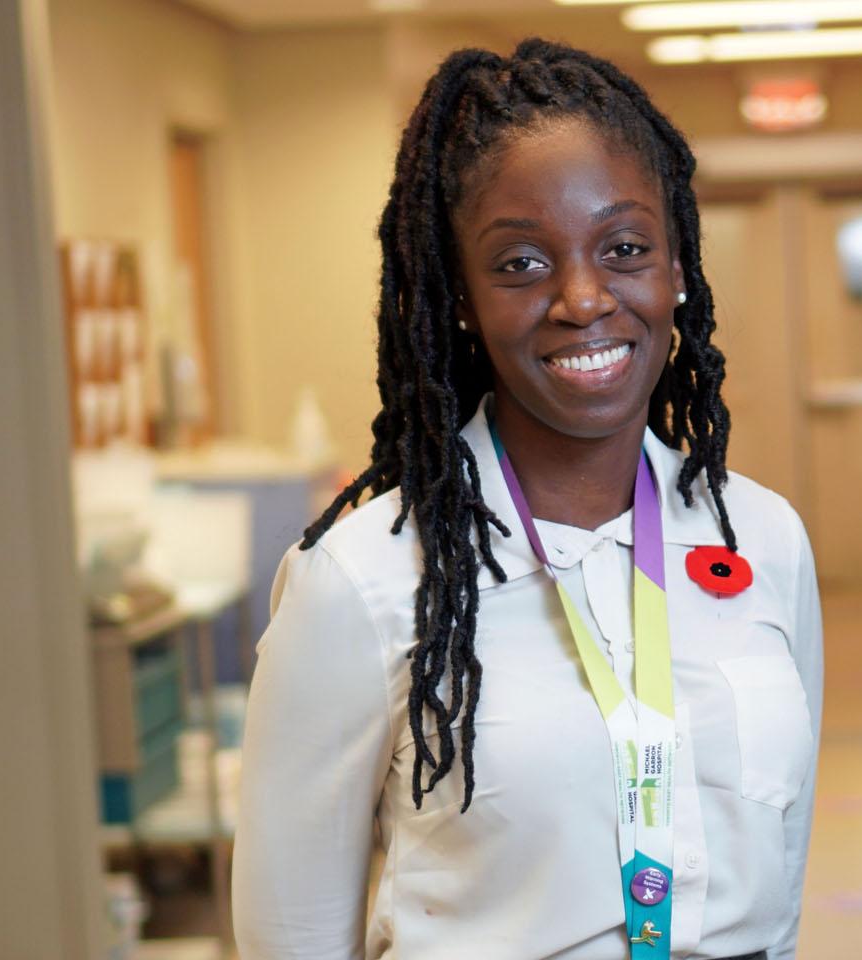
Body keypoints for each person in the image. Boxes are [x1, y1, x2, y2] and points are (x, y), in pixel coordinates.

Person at [232, 40, 822, 960]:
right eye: (520, 264)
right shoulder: (362, 582)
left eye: (625, 248)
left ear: (676, 268)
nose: (584, 299)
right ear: (460, 296)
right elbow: (292, 939)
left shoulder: (762, 539)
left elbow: (777, 893)